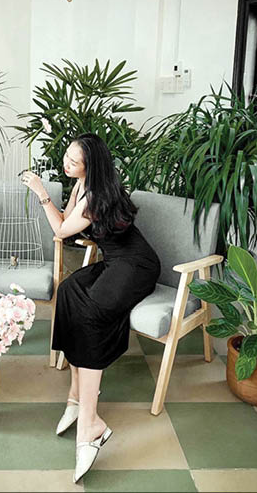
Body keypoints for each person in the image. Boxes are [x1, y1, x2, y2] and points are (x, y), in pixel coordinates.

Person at [20, 133, 161, 483]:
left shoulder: (96, 195)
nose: (66, 163)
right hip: (115, 261)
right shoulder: (82, 185)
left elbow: (60, 230)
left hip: (137, 266)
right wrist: (62, 198)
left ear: (90, 165)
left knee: (93, 313)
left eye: (74, 160)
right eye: (66, 156)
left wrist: (41, 193)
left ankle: (90, 422)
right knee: (70, 291)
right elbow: (67, 224)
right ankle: (74, 396)